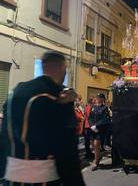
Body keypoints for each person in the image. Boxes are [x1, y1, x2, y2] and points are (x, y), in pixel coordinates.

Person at [0, 51, 86, 186]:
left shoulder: (17, 91)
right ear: (61, 67)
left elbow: (4, 135)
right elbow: (66, 149)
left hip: (11, 177)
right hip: (42, 179)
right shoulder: (57, 97)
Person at [89, 93, 110, 171]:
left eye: (99, 97)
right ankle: (97, 156)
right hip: (92, 129)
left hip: (99, 129)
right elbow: (90, 117)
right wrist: (91, 126)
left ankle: (96, 162)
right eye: (97, 97)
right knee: (92, 145)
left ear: (102, 99)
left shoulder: (105, 108)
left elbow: (105, 119)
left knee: (96, 143)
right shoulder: (93, 107)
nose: (97, 98)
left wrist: (96, 126)